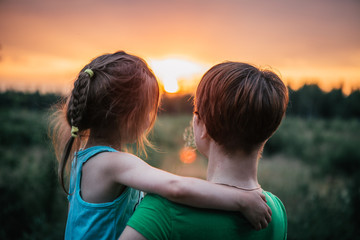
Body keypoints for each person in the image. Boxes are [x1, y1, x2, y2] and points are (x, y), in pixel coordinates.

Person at [49, 52, 272, 240]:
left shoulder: (84, 158)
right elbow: (175, 187)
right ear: (129, 117)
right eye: (149, 109)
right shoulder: (113, 163)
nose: (152, 117)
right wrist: (242, 200)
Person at [119, 61, 289, 240]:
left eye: (196, 112)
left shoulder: (162, 211)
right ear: (268, 132)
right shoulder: (276, 211)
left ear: (204, 126)